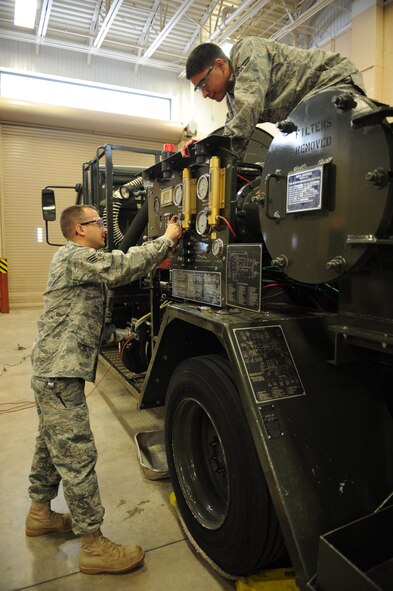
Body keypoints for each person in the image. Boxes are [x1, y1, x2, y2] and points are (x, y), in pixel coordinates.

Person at [26, 204, 182, 575]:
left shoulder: (80, 265)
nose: (103, 228)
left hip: (57, 372)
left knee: (51, 444)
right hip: (58, 374)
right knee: (77, 454)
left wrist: (121, 334)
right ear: (80, 229)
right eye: (98, 223)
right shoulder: (73, 256)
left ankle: (39, 513)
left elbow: (79, 318)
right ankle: (93, 544)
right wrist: (167, 240)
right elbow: (121, 266)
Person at [181, 37, 365, 160]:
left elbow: (247, 110)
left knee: (338, 155)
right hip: (310, 105)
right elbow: (231, 137)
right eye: (199, 89)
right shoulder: (232, 96)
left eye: (203, 83)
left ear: (220, 65)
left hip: (334, 80)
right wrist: (202, 150)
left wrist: (212, 151)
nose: (204, 93)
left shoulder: (246, 50)